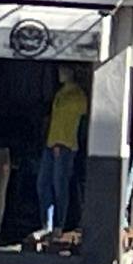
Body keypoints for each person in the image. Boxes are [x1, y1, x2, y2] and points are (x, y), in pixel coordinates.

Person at [36, 65, 87, 237]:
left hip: (65, 144)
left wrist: (61, 142)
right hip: (51, 142)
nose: (60, 73)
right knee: (43, 183)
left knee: (60, 185)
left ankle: (58, 224)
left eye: (64, 70)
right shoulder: (60, 93)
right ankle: (47, 224)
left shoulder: (77, 96)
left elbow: (72, 120)